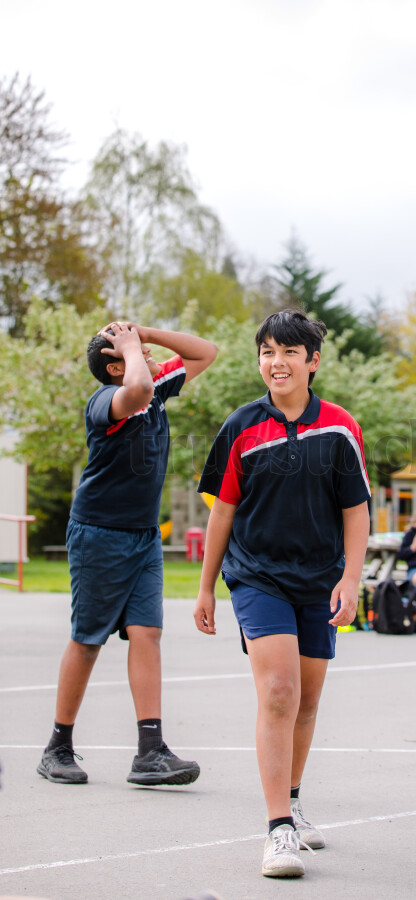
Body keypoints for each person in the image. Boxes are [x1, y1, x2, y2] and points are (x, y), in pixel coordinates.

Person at [193, 309, 371, 879]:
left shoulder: (340, 427)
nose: (277, 362)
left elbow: (357, 512)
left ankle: (292, 800)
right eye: (268, 351)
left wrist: (351, 578)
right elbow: (222, 512)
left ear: (312, 362)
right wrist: (206, 587)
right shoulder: (240, 426)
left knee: (308, 701)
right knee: (278, 692)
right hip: (257, 575)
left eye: (289, 352)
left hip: (320, 579)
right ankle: (277, 830)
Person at [37, 321, 217, 786]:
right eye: (135, 352)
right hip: (99, 533)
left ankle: (150, 752)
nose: (148, 357)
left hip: (143, 536)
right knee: (88, 639)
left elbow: (205, 352)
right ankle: (57, 747)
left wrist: (147, 333)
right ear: (116, 367)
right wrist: (134, 350)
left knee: (147, 633)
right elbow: (137, 390)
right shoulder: (108, 401)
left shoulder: (154, 389)